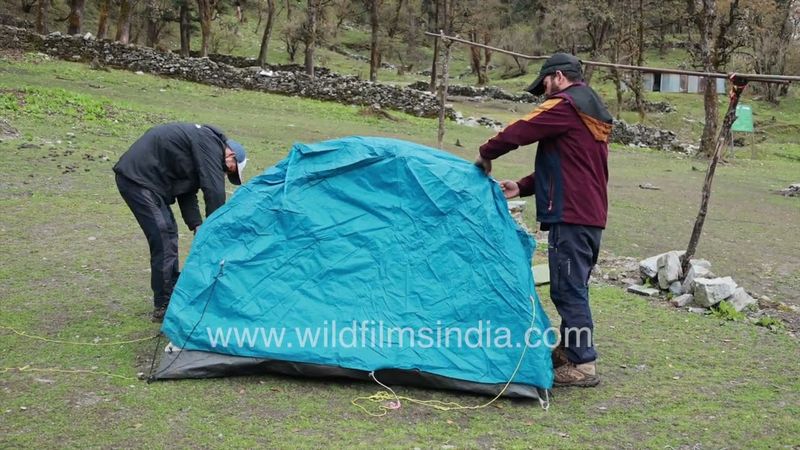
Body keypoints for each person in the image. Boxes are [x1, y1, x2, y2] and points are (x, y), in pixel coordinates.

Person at [475, 53, 612, 387]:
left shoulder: (565, 105)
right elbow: (567, 167)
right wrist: (521, 186)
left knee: (567, 290)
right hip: (589, 215)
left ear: (560, 76)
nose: (546, 92)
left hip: (571, 215)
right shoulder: (591, 111)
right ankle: (569, 350)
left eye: (546, 84)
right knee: (573, 286)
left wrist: (486, 152)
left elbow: (520, 130)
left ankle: (583, 365)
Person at [114, 123, 247, 322]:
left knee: (167, 233)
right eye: (231, 170)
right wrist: (214, 232)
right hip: (139, 179)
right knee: (164, 236)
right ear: (231, 155)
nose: (227, 173)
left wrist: (197, 225)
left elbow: (186, 192)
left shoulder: (200, 146)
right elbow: (214, 190)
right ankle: (165, 304)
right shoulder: (211, 143)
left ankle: (172, 293)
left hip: (145, 181)